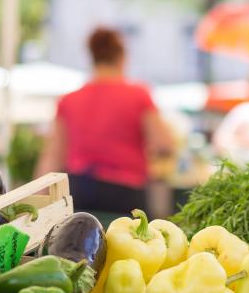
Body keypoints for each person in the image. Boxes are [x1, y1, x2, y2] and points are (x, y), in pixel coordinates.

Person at [35, 26, 173, 214]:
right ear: (122, 57)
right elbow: (165, 144)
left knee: (80, 240)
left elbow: (53, 155)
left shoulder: (69, 100)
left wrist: (38, 200)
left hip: (79, 190)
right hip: (125, 192)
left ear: (92, 57)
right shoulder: (138, 95)